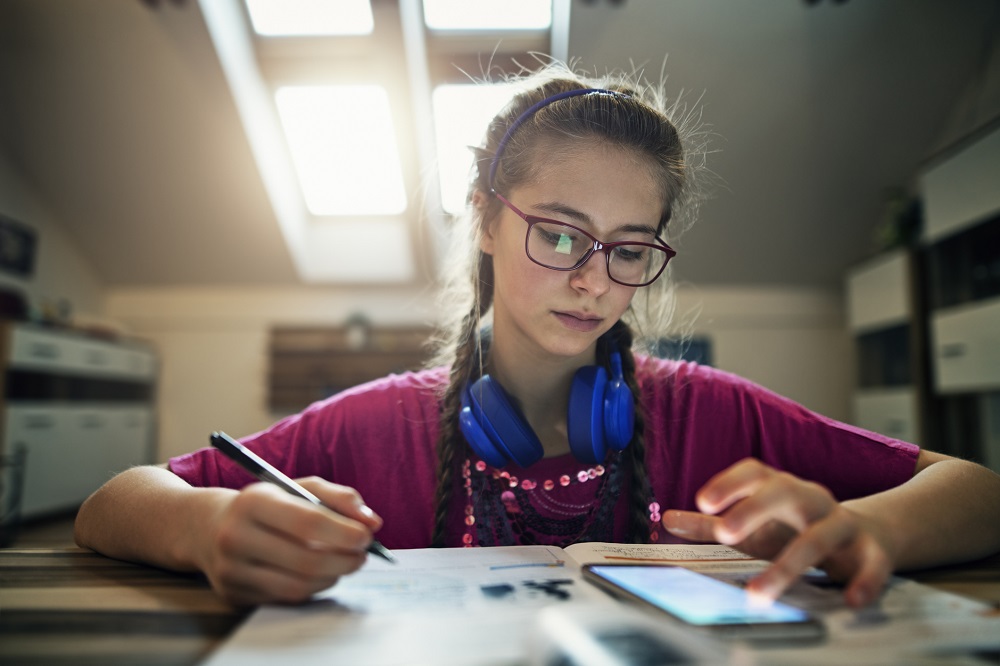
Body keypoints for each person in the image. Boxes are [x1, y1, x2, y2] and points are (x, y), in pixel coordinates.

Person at [75, 63, 1000, 609]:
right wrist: (207, 526)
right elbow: (113, 500)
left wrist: (857, 528)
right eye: (557, 232)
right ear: (484, 217)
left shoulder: (712, 415)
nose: (594, 278)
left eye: (630, 247)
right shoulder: (370, 429)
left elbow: (977, 490)